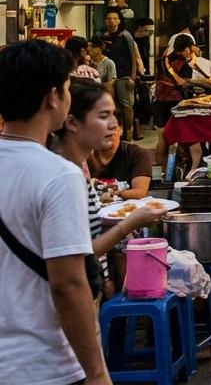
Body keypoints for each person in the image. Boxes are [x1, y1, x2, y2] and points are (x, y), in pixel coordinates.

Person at [0, 41, 112, 385]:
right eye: (66, 88)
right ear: (53, 98)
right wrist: (96, 373)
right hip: (41, 364)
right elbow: (68, 283)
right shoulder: (59, 175)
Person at [50, 78, 164, 291]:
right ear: (72, 122)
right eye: (103, 116)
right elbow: (77, 256)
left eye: (114, 116)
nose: (114, 125)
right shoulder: (63, 176)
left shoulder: (76, 168)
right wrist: (128, 224)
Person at [101, 10, 142, 142]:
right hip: (109, 79)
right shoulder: (104, 37)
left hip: (124, 77)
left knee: (127, 107)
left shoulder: (126, 36)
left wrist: (133, 77)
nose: (112, 21)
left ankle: (128, 137)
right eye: (109, 18)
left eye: (114, 18)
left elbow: (133, 56)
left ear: (119, 21)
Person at [89, 122, 154, 200]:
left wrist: (109, 194)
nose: (107, 133)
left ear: (121, 130)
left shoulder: (138, 154)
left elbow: (140, 192)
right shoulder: (84, 156)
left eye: (112, 128)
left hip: (128, 209)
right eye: (100, 129)